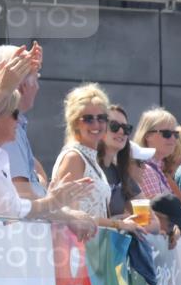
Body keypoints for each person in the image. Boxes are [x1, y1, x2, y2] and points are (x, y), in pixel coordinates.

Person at [0, 83, 92, 221]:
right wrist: (53, 202)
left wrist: (53, 201)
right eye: (15, 113)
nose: (19, 120)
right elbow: (10, 209)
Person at [51, 84, 142, 236]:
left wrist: (115, 220)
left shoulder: (90, 160)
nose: (96, 124)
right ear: (75, 122)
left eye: (101, 118)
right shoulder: (74, 157)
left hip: (96, 248)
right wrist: (119, 224)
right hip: (78, 250)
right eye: (88, 119)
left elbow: (90, 214)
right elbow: (68, 215)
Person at [0, 44, 48, 199]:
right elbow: (22, 195)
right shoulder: (6, 126)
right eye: (36, 78)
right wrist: (59, 207)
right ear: (22, 86)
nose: (38, 87)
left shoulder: (10, 124)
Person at [134, 108, 181, 200]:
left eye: (175, 134)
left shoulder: (156, 168)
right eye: (166, 134)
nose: (173, 138)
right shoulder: (145, 169)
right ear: (148, 136)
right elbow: (161, 212)